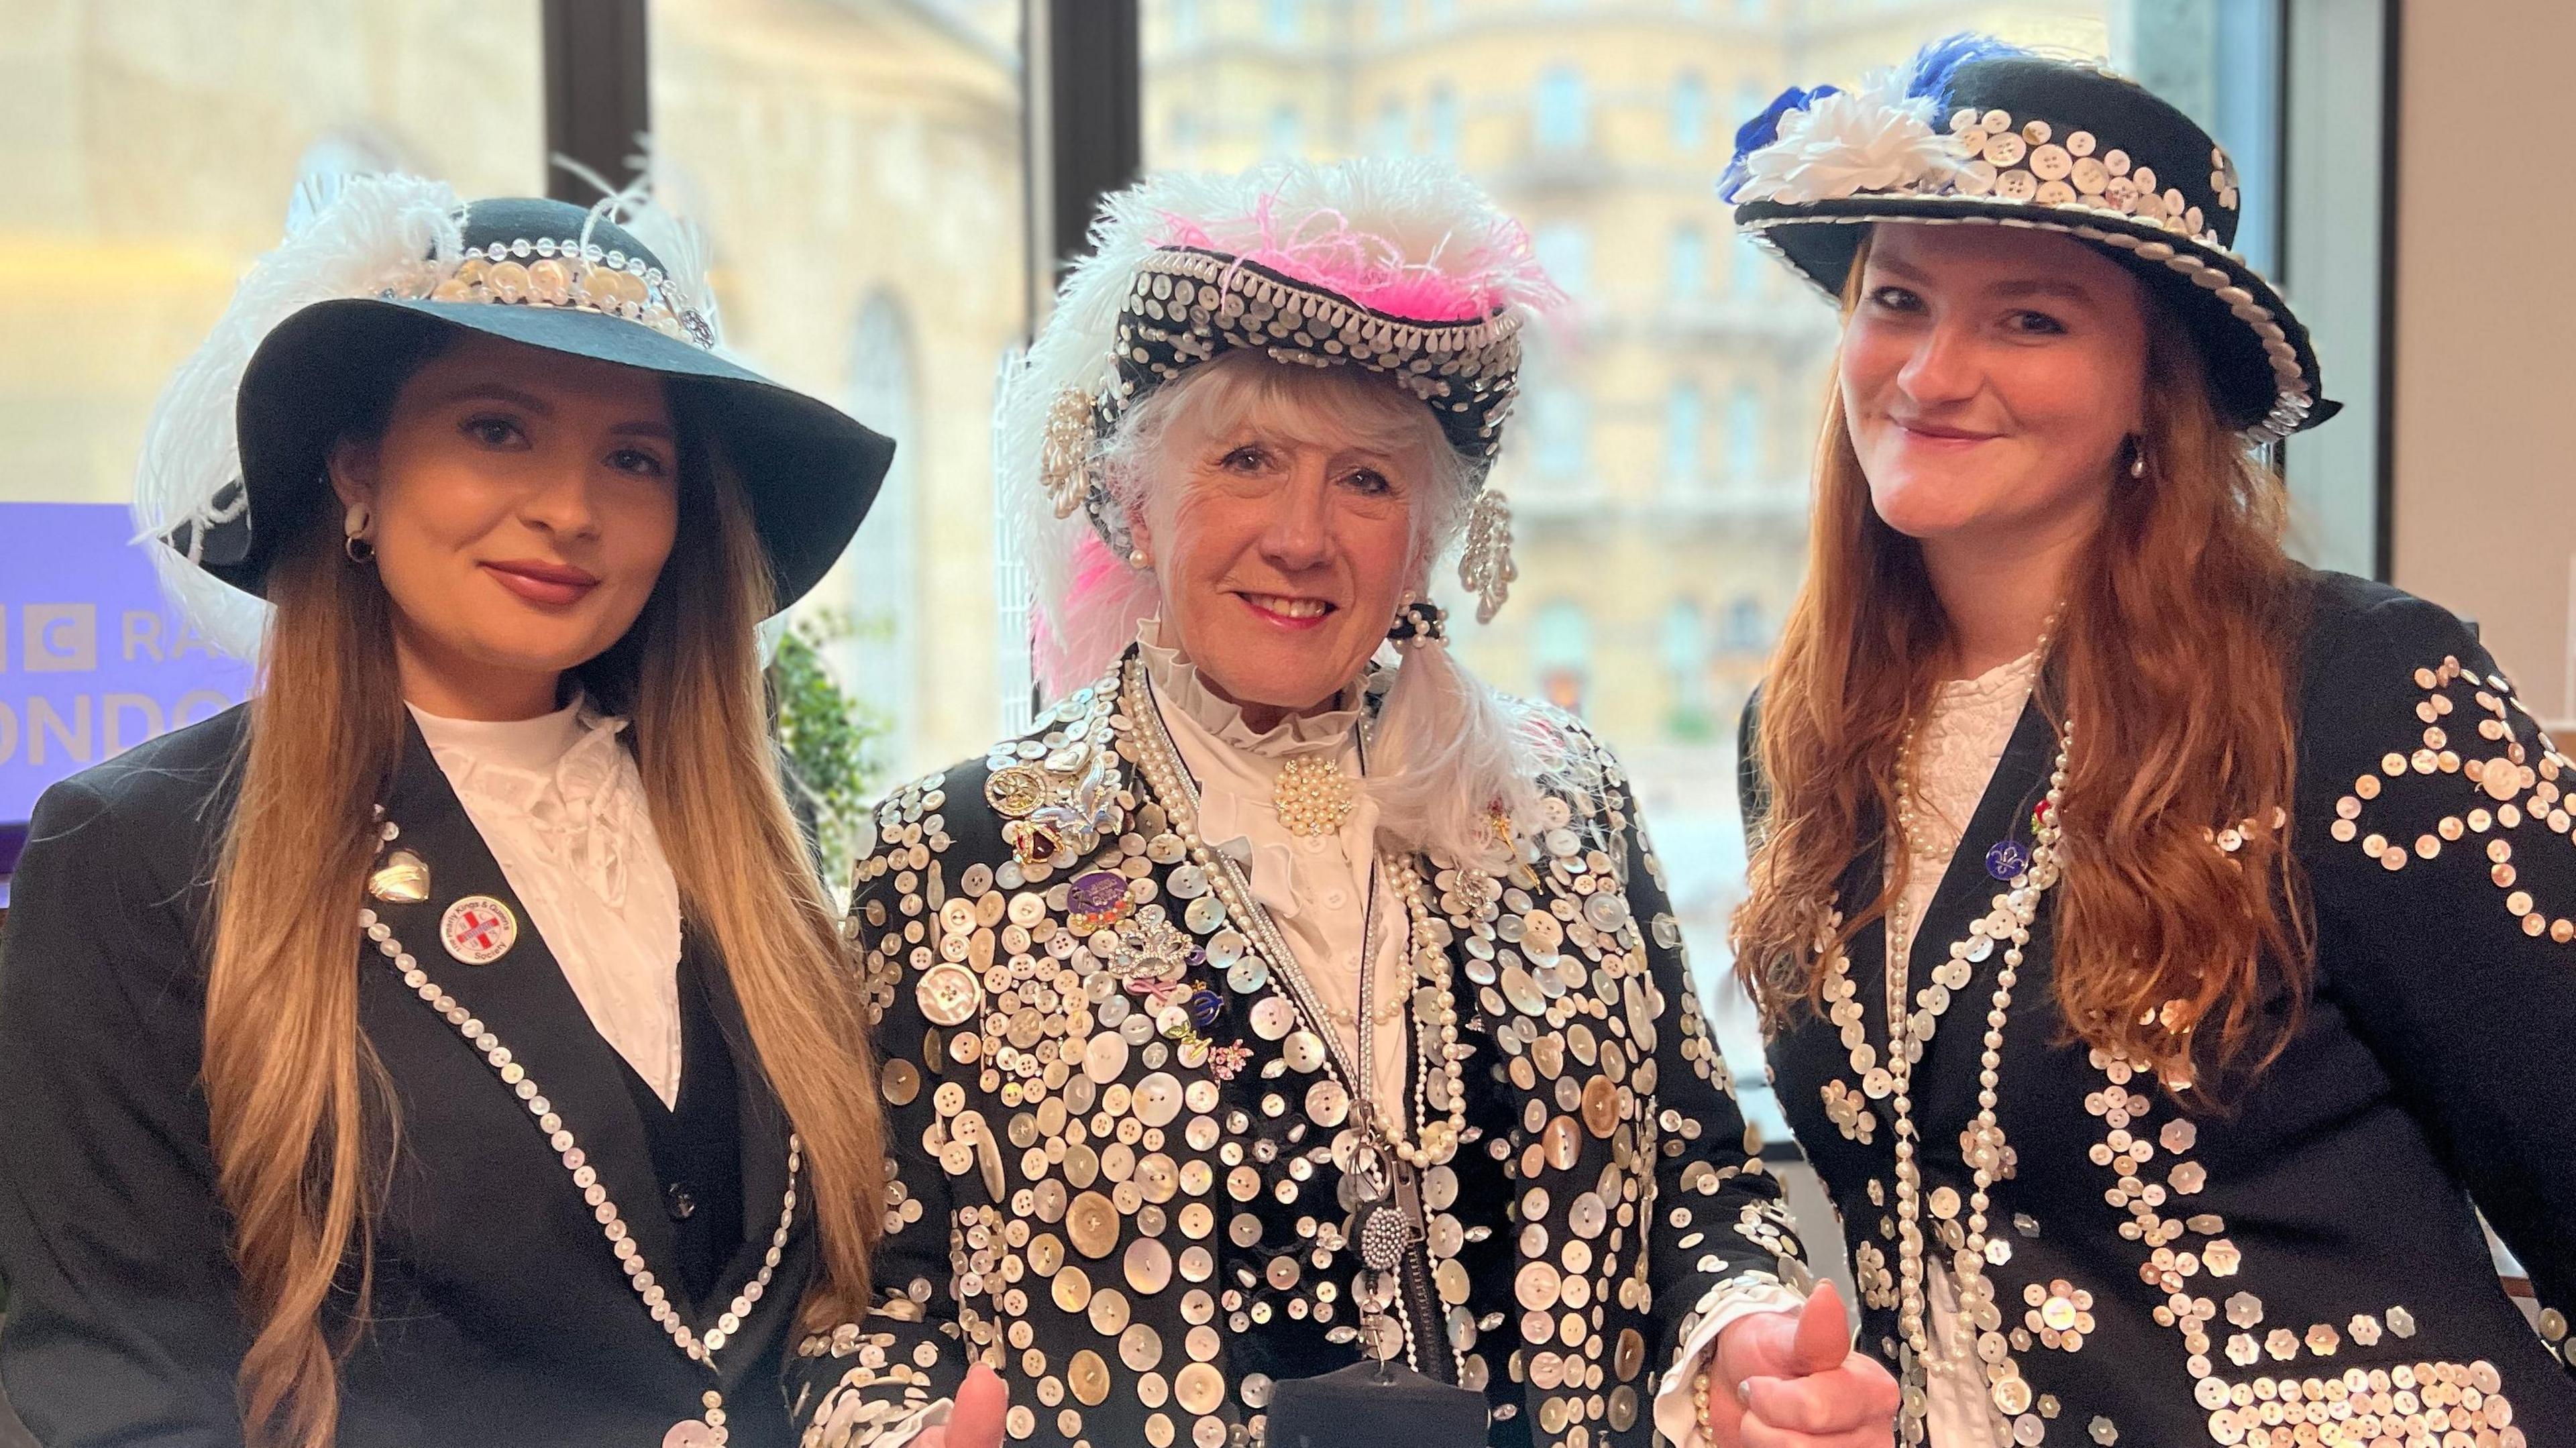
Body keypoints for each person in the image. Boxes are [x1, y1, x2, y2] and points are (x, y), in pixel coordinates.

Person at [786, 157, 1898, 1448]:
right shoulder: (955, 855)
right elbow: (864, 1302)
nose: (1304, 536)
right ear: (1135, 498)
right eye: (1247, 460)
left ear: (1426, 535)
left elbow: (1699, 1182)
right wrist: (893, 1433)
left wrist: (1741, 1335)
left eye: (1368, 479)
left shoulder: (1565, 801)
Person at [1723, 35, 2576, 1447]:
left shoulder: (2353, 682)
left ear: (2153, 391)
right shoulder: (1798, 737)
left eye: (2032, 321)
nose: (1935, 371)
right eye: (1898, 299)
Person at [0, 174, 896, 1447]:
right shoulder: (141, 851)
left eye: (633, 458)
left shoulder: (757, 846)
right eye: (497, 430)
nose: (570, 511)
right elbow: (123, 1386)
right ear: (357, 470)